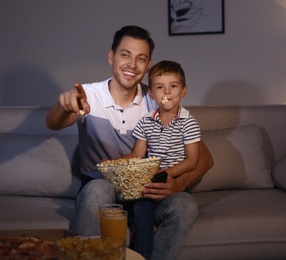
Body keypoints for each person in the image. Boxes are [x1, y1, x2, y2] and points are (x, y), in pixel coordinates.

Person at [45, 25, 213, 260]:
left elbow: (204, 158)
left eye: (141, 58)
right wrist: (65, 105)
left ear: (148, 65)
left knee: (185, 204)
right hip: (102, 189)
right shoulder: (89, 95)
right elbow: (53, 123)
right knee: (97, 189)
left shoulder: (157, 99)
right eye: (125, 55)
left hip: (146, 192)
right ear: (111, 56)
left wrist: (177, 183)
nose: (132, 65)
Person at [118, 60, 201, 259]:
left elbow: (193, 161)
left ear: (183, 91)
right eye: (159, 87)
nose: (167, 93)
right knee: (140, 205)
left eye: (173, 86)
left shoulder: (188, 123)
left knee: (152, 204)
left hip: (171, 182)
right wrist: (114, 162)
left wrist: (167, 173)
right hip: (149, 180)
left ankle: (142, 254)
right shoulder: (146, 121)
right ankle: (140, 255)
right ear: (152, 94)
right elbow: (137, 155)